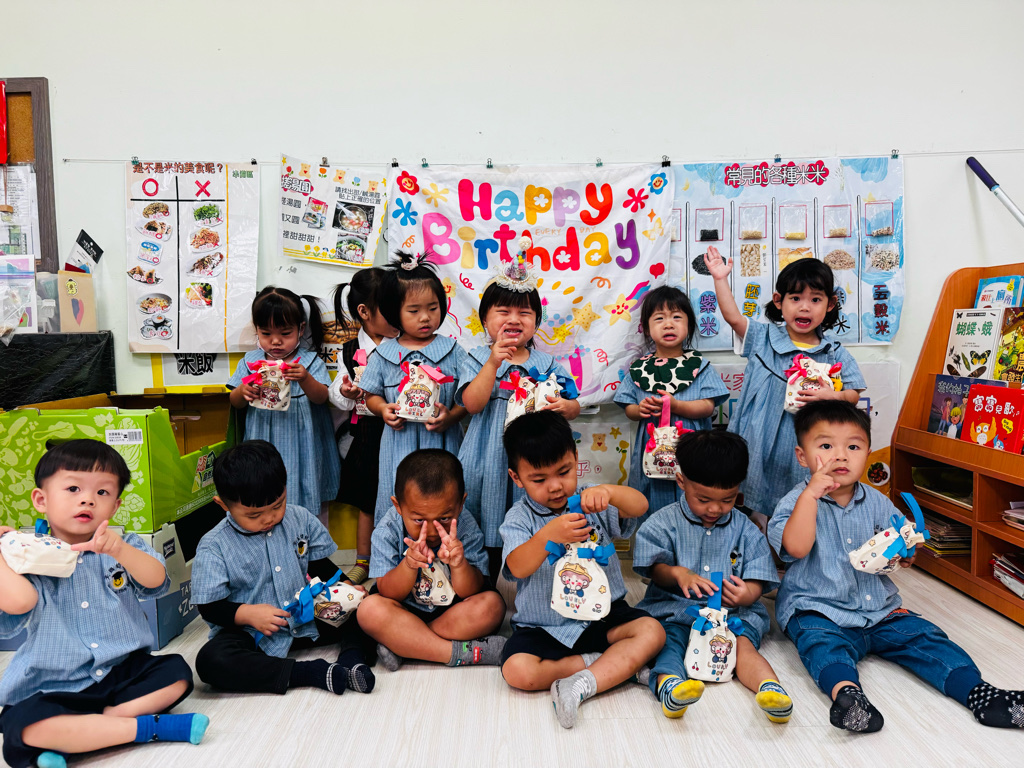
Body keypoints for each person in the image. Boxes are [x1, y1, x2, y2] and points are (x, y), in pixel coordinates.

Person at [768, 401, 1024, 732]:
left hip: (880, 609)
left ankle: (980, 695)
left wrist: (906, 552)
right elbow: (796, 548)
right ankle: (848, 697)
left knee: (927, 638)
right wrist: (811, 496)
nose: (841, 456)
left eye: (853, 447)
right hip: (819, 609)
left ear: (867, 453)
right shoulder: (794, 502)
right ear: (802, 456)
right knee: (822, 646)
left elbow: (900, 540)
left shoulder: (877, 501)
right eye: (826, 446)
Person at [0, 440, 206, 768]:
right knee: (21, 724)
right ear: (41, 500)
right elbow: (19, 602)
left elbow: (157, 580)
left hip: (121, 670)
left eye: (102, 492)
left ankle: (79, 736)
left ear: (115, 506)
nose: (87, 499)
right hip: (53, 684)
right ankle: (146, 729)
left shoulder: (125, 545)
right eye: (73, 488)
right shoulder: (26, 555)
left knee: (177, 673)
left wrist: (120, 550)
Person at [498, 411, 665, 729]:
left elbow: (640, 506)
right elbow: (517, 567)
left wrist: (611, 492)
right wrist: (547, 536)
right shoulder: (520, 518)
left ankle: (582, 681)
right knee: (517, 671)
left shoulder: (590, 498)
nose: (555, 487)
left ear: (576, 458)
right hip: (545, 625)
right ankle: (609, 666)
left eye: (564, 472)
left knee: (653, 632)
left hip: (604, 616)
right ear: (516, 478)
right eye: (539, 480)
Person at [192, 441, 374, 698]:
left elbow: (319, 565)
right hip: (253, 633)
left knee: (368, 608)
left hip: (306, 616)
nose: (269, 518)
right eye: (254, 515)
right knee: (211, 661)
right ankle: (309, 672)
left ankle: (352, 660)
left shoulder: (300, 518)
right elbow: (210, 607)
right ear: (223, 504)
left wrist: (346, 588)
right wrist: (248, 614)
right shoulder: (214, 546)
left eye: (278, 505)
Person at [633, 430, 792, 722]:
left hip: (732, 616)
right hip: (676, 610)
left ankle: (770, 689)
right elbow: (651, 568)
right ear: (681, 481)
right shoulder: (663, 523)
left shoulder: (745, 529)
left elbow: (758, 575)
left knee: (744, 647)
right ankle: (670, 687)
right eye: (703, 499)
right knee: (668, 644)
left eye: (728, 499)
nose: (715, 509)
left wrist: (748, 593)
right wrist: (676, 573)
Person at [705, 251, 865, 521]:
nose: (805, 307)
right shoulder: (763, 337)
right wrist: (720, 279)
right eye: (795, 298)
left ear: (830, 304)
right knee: (746, 500)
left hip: (804, 443)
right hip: (756, 437)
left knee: (797, 502)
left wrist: (833, 396)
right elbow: (733, 317)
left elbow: (853, 394)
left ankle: (787, 539)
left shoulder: (834, 352)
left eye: (815, 299)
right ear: (779, 301)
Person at [458, 236, 580, 581]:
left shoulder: (546, 362)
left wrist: (565, 405)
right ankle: (484, 581)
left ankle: (535, 581)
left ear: (536, 322)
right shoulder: (478, 358)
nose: (514, 319)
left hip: (535, 457)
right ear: (485, 319)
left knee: (531, 514)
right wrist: (493, 363)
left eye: (524, 312)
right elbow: (471, 404)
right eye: (503, 311)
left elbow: (574, 405)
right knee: (484, 515)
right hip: (488, 454)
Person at [357, 449, 506, 671]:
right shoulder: (387, 529)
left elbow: (472, 590)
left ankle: (405, 645)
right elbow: (387, 591)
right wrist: (408, 565)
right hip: (403, 611)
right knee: (368, 610)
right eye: (418, 520)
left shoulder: (465, 526)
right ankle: (456, 652)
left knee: (493, 606)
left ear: (461, 503)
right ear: (398, 506)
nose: (432, 530)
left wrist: (459, 565)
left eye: (444, 518)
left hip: (451, 613)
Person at [359, 252, 469, 524]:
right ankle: (396, 546)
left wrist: (451, 417)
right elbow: (370, 395)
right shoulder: (384, 355)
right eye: (414, 311)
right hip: (399, 446)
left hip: (443, 445)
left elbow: (468, 397)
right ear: (393, 312)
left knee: (446, 501)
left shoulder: (453, 351)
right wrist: (383, 409)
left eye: (433, 308)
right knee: (400, 502)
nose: (425, 318)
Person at [614, 285, 729, 518]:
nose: (668, 324)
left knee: (695, 493)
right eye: (659, 318)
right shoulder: (639, 369)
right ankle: (655, 536)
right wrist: (639, 409)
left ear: (689, 325)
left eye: (677, 317)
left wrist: (677, 406)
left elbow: (708, 407)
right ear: (647, 328)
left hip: (693, 449)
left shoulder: (699, 366)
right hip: (652, 451)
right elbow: (628, 408)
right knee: (652, 498)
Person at [228, 286, 339, 524]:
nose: (276, 341)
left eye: (285, 333)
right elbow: (234, 402)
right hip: (262, 442)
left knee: (304, 492)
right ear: (257, 330)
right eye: (266, 333)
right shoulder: (250, 362)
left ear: (301, 329)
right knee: (262, 492)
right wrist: (242, 391)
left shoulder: (309, 362)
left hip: (303, 442)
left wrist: (305, 378)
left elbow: (322, 397)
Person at [328, 267, 398, 583]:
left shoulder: (406, 343)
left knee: (404, 495)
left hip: (402, 430)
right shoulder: (350, 351)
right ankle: (363, 560)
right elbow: (337, 391)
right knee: (367, 501)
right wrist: (346, 392)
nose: (399, 315)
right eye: (390, 308)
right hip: (370, 434)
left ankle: (398, 558)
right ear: (364, 312)